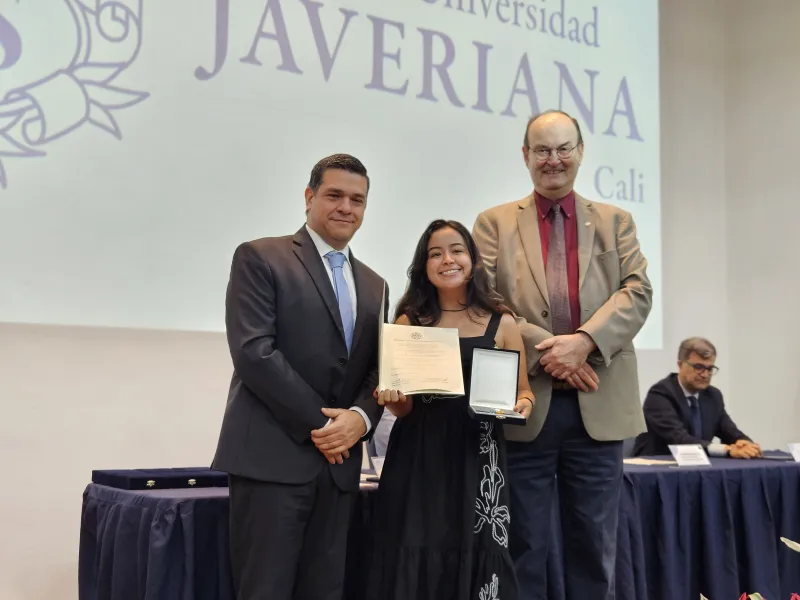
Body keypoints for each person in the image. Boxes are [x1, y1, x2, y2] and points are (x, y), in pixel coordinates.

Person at [472, 110, 653, 599]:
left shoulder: (617, 221)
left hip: (601, 405)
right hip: (526, 403)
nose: (554, 160)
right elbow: (484, 298)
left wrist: (585, 343)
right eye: (543, 150)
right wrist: (555, 351)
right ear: (526, 156)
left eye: (563, 148)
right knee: (524, 544)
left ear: (580, 152)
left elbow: (637, 291)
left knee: (595, 546)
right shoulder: (493, 224)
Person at [211, 154, 387, 600]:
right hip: (271, 463)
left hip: (339, 470)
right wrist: (328, 425)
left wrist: (360, 421)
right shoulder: (260, 257)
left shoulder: (375, 284)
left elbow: (378, 369)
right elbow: (254, 353)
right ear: (309, 198)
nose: (346, 207)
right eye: (334, 195)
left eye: (357, 200)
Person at [366, 219, 534, 600]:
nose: (447, 260)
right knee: (413, 545)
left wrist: (521, 405)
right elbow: (405, 409)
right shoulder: (410, 322)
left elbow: (525, 393)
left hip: (480, 456)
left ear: (472, 260)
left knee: (479, 553)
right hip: (418, 456)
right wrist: (393, 397)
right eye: (435, 253)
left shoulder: (501, 322)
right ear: (423, 266)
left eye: (457, 250)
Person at [633, 337, 762, 458]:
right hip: (656, 470)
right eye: (698, 367)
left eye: (710, 368)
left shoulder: (713, 395)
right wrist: (727, 450)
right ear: (680, 365)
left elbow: (729, 430)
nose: (705, 374)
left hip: (698, 469)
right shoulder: (660, 394)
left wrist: (744, 443)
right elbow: (679, 439)